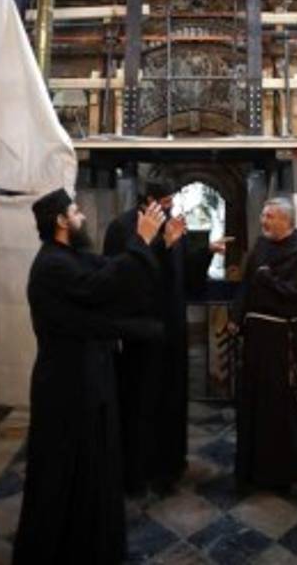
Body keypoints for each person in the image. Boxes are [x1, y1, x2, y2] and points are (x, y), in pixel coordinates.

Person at [12, 187, 174, 565]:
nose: (82, 215)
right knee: (64, 473)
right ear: (60, 222)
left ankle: (87, 546)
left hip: (88, 381)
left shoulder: (72, 256)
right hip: (67, 387)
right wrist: (140, 241)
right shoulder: (52, 264)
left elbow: (109, 279)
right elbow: (105, 286)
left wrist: (151, 248)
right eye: (75, 211)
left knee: (92, 470)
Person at [103, 178, 226, 495]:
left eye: (173, 203)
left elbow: (183, 272)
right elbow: (122, 277)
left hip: (172, 330)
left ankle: (169, 464)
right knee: (141, 399)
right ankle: (139, 468)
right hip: (141, 334)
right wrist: (163, 245)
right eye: (166, 203)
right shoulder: (122, 227)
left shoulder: (172, 223)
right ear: (149, 201)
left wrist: (205, 253)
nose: (171, 209)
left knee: (171, 398)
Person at [229, 196, 297, 489]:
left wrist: (270, 282)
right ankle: (257, 464)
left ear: (287, 221)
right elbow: (247, 286)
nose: (264, 221)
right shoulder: (261, 248)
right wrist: (236, 316)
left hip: (288, 344)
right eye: (263, 216)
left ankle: (291, 466)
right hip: (258, 343)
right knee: (258, 406)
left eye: (270, 217)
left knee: (284, 409)